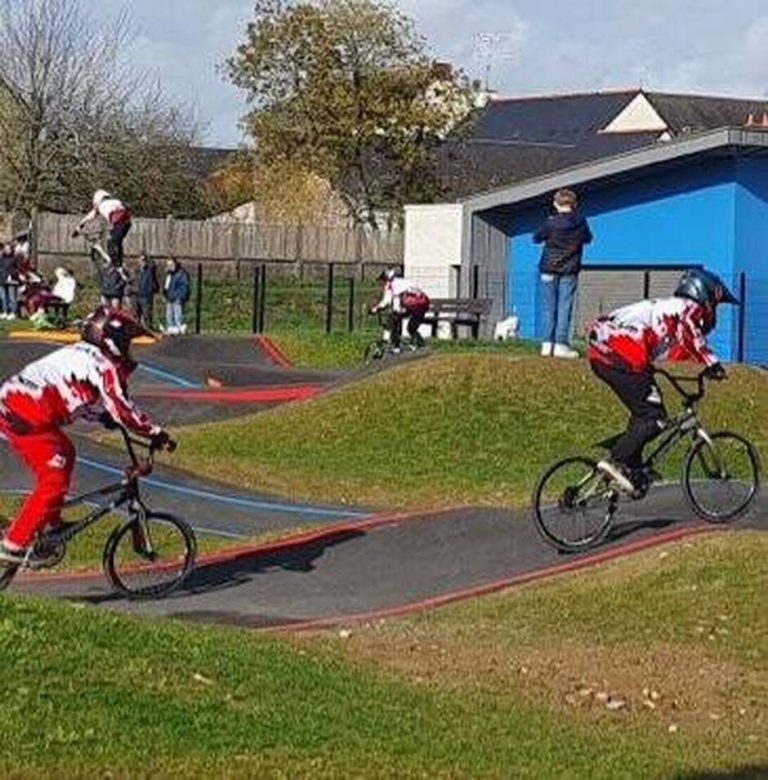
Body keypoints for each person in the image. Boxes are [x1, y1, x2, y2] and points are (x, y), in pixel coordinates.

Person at [0, 306, 175, 564]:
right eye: (127, 342)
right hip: (26, 415)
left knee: (66, 452)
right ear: (112, 339)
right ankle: (13, 543)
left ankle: (50, 521)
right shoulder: (104, 365)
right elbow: (122, 408)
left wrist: (103, 418)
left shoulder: (81, 353)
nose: (127, 349)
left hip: (19, 406)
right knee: (53, 480)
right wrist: (156, 433)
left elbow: (79, 398)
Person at [587, 268, 739, 494]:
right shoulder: (685, 307)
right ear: (703, 294)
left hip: (612, 353)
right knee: (654, 418)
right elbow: (689, 331)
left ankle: (631, 464)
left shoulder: (668, 307)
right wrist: (712, 363)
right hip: (617, 353)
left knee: (647, 410)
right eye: (714, 304)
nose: (712, 312)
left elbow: (679, 347)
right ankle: (616, 460)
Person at [534, 188, 592, 358]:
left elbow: (536, 237)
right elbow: (588, 238)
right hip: (570, 269)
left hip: (548, 269)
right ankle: (560, 344)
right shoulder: (581, 222)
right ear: (574, 204)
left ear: (555, 203)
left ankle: (546, 344)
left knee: (548, 307)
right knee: (564, 307)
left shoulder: (550, 223)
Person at [370, 267, 430, 351]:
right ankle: (406, 344)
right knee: (401, 324)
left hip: (415, 307)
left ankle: (404, 345)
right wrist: (378, 308)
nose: (383, 282)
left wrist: (376, 309)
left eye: (384, 280)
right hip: (414, 307)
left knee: (403, 324)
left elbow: (390, 300)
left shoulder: (396, 284)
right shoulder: (397, 284)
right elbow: (388, 301)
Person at [72, 189, 132, 267]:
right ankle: (118, 263)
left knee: (112, 242)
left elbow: (89, 217)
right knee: (117, 241)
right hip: (126, 222)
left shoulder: (101, 205)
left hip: (119, 221)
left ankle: (117, 264)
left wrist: (79, 227)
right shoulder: (115, 201)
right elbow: (123, 206)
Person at [163, 258, 191, 335]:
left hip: (177, 298)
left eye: (171, 265)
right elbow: (166, 286)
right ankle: (171, 329)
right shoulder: (169, 274)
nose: (169, 266)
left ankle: (180, 330)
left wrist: (180, 297)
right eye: (168, 265)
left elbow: (184, 287)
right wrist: (165, 294)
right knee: (169, 316)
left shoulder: (182, 273)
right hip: (170, 298)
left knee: (177, 316)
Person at [136, 252, 160, 329]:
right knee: (137, 316)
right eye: (140, 260)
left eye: (143, 260)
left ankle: (148, 330)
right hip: (137, 295)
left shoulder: (149, 270)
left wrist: (148, 258)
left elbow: (153, 265)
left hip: (146, 296)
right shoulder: (137, 271)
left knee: (147, 316)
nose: (142, 262)